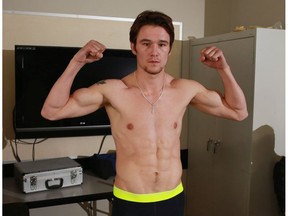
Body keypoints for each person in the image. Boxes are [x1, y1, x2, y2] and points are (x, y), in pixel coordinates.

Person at [41, 10, 248, 216]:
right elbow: (52, 111)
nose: (154, 52)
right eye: (146, 44)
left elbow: (238, 111)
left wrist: (224, 69)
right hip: (131, 201)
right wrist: (76, 62)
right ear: (134, 47)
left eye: (162, 44)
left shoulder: (184, 89)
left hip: (172, 199)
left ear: (169, 49)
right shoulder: (114, 91)